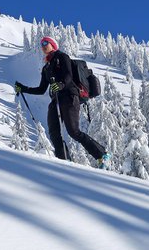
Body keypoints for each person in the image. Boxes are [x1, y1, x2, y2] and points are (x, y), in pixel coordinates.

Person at [14, 36, 111, 167]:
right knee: (54, 132)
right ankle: (63, 162)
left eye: (45, 43)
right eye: (41, 43)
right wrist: (23, 88)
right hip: (56, 100)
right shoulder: (46, 68)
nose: (43, 45)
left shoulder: (62, 57)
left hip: (70, 96)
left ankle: (102, 154)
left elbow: (68, 76)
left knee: (73, 131)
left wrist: (61, 85)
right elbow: (41, 89)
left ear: (53, 44)